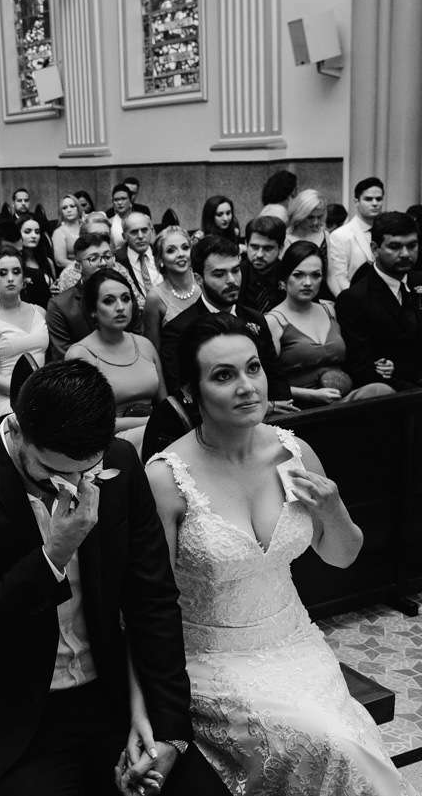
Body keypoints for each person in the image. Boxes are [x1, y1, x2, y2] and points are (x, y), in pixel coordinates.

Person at [0, 359, 227, 796]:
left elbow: (152, 600)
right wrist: (53, 556)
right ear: (19, 431)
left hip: (110, 695)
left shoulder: (119, 462)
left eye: (87, 470)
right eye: (54, 471)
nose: (75, 485)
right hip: (16, 716)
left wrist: (167, 729)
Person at [145, 314, 411, 795]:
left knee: (348, 741)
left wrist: (331, 508)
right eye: (224, 376)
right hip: (211, 662)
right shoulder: (167, 480)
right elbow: (148, 608)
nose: (247, 386)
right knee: (330, 744)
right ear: (191, 391)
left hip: (294, 642)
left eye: (253, 368)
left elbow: (342, 556)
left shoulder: (294, 451)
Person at [160, 234, 293, 407]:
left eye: (236, 270)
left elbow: (275, 375)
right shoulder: (178, 330)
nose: (231, 280)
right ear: (199, 279)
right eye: (219, 274)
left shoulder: (255, 318)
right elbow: (184, 394)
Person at [266, 240, 395, 406]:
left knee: (381, 391)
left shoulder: (330, 309)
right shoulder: (273, 321)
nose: (307, 282)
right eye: (298, 275)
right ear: (284, 278)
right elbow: (266, 383)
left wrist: (378, 364)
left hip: (342, 399)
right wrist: (311, 395)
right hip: (301, 407)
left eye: (315, 275)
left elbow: (357, 354)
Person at [68, 269, 165, 451]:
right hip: (110, 445)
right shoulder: (80, 355)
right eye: (109, 301)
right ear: (93, 310)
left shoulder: (144, 345)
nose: (120, 307)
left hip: (155, 435)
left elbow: (164, 403)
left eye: (126, 298)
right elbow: (89, 423)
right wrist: (152, 421)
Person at [335, 211, 422, 390]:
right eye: (395, 247)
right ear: (375, 249)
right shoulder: (354, 299)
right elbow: (362, 368)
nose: (405, 254)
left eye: (412, 245)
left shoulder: (418, 282)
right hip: (394, 395)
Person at [0, 247, 48, 422]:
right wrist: (32, 390)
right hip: (5, 396)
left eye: (16, 272)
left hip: (42, 392)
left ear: (24, 279)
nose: (10, 278)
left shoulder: (40, 312)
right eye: (3, 273)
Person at [47, 233, 139, 362]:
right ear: (78, 266)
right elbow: (65, 356)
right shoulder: (60, 306)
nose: (103, 263)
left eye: (107, 256)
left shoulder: (124, 294)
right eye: (93, 258)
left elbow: (137, 336)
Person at [142, 226, 199, 351]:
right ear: (160, 259)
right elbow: (153, 350)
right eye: (171, 250)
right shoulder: (155, 298)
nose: (180, 254)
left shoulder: (204, 284)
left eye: (185, 248)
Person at [327, 176, 384, 296]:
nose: (375, 203)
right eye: (368, 199)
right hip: (356, 299)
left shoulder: (387, 231)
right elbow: (339, 277)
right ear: (356, 201)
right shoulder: (340, 235)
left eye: (378, 199)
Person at [239, 215, 286, 314]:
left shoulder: (288, 274)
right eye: (254, 247)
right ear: (246, 244)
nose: (259, 255)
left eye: (267, 248)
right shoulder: (236, 272)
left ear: (280, 248)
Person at [51, 194, 84, 271]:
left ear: (78, 208)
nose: (69, 210)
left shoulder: (87, 227)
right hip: (72, 272)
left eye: (72, 206)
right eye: (64, 208)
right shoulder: (59, 232)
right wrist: (82, 268)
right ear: (61, 212)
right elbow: (60, 261)